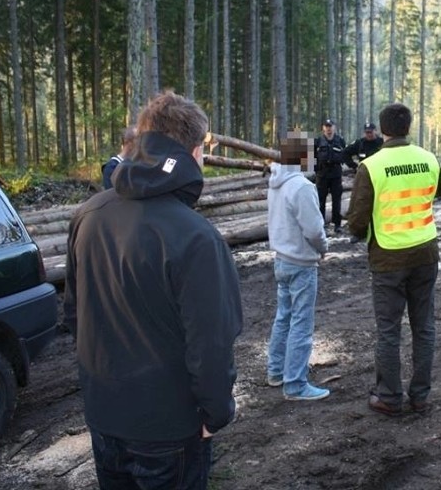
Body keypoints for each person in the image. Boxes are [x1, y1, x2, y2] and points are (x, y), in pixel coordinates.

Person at [63, 91, 244, 489]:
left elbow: (75, 318)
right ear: (196, 152)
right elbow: (211, 344)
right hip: (169, 431)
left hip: (105, 415)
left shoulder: (88, 215)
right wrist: (216, 414)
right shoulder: (196, 237)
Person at [347, 102, 441, 417]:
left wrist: (364, 231)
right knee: (424, 327)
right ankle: (420, 396)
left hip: (388, 258)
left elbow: (356, 220)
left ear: (382, 130)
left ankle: (390, 397)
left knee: (389, 330)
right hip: (425, 253)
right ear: (409, 127)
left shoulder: (373, 165)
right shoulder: (426, 158)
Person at [266, 129, 331, 401]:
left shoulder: (276, 182)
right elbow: (314, 229)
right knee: (301, 323)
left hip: (281, 260)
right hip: (301, 263)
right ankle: (295, 384)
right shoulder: (301, 187)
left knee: (284, 317)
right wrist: (323, 248)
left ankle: (277, 371)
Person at [314, 118, 348, 234]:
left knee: (336, 200)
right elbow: (312, 158)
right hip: (322, 175)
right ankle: (321, 225)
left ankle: (337, 225)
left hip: (336, 174)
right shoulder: (318, 141)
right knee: (320, 201)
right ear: (323, 128)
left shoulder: (340, 141)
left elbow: (344, 155)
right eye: (326, 126)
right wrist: (316, 170)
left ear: (334, 127)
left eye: (330, 126)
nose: (328, 129)